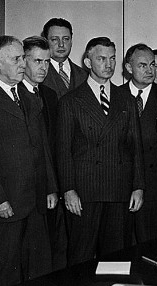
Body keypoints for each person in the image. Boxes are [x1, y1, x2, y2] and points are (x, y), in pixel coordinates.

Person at [0, 35, 58, 286]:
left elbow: (42, 146)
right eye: (16, 59)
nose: (23, 64)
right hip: (7, 202)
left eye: (22, 58)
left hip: (36, 200)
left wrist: (50, 186)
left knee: (39, 269)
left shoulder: (30, 97)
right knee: (4, 272)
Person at [56, 37, 144, 265]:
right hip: (85, 192)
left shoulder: (126, 99)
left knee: (116, 259)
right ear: (87, 62)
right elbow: (63, 151)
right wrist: (68, 190)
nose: (109, 64)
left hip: (118, 190)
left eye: (112, 58)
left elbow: (135, 147)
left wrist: (138, 186)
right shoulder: (71, 101)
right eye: (101, 58)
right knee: (81, 257)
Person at [20, 35, 68, 270]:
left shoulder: (49, 95)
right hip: (25, 191)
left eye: (47, 62)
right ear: (23, 61)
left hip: (51, 188)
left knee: (52, 250)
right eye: (37, 61)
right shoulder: (15, 95)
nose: (43, 67)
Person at [122, 43, 157, 242]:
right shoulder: (115, 96)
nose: (150, 70)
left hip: (155, 185)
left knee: (150, 242)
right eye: (143, 65)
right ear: (129, 68)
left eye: (152, 65)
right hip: (123, 184)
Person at [41, 18, 88, 98]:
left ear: (71, 41)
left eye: (65, 39)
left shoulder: (85, 75)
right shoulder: (38, 73)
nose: (61, 44)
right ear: (45, 41)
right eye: (55, 39)